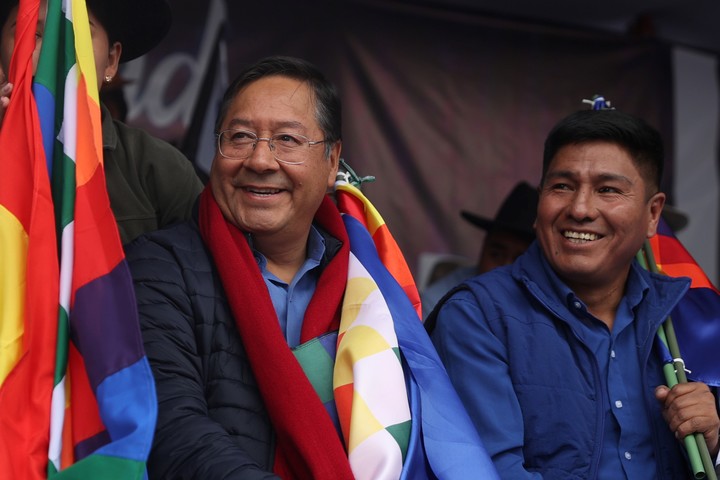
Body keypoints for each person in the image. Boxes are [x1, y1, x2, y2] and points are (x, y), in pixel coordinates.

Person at [126, 55, 497, 479]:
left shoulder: (368, 286)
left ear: (332, 160)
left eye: (287, 139)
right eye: (241, 136)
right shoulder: (159, 267)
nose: (261, 160)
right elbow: (173, 428)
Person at [429, 108, 720, 479]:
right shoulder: (479, 316)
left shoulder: (687, 317)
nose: (580, 209)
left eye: (608, 190)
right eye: (562, 186)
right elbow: (489, 471)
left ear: (652, 214)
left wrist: (713, 443)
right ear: (540, 205)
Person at [0, 0, 203, 244]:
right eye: (32, 32)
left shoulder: (159, 169)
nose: (54, 53)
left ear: (111, 60)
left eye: (78, 34)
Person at [421, 181, 538, 320]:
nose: (504, 269)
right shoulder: (440, 303)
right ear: (482, 249)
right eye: (496, 255)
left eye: (520, 260)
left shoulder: (545, 308)